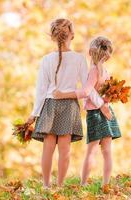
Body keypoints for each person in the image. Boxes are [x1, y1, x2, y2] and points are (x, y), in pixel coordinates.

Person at [26, 19, 111, 188]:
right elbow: (88, 88)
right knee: (64, 151)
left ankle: (46, 185)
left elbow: (41, 90)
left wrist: (34, 113)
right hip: (69, 106)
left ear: (53, 36)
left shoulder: (46, 59)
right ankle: (59, 185)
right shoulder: (79, 59)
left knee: (48, 149)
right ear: (71, 35)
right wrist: (101, 104)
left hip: (49, 106)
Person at [53, 36, 122, 186]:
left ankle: (83, 184)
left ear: (91, 52)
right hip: (107, 111)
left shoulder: (93, 71)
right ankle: (106, 184)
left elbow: (85, 91)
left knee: (91, 151)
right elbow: (107, 96)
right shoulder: (106, 71)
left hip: (96, 115)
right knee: (107, 151)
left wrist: (64, 94)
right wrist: (106, 102)